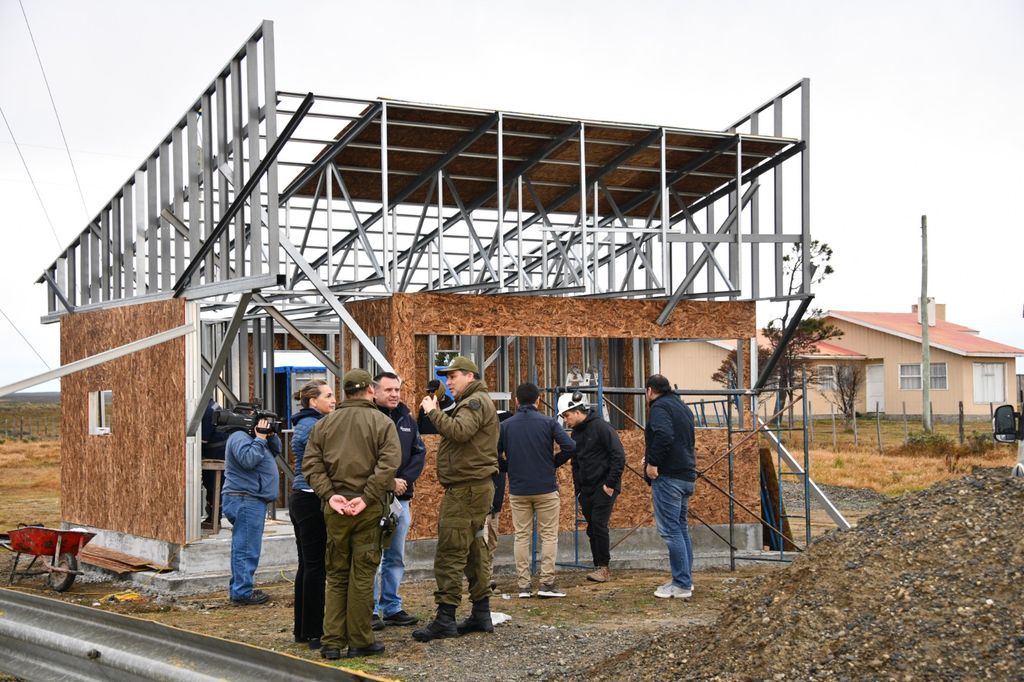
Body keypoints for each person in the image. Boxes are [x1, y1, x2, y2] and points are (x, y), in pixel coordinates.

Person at [303, 369, 401, 660]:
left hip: (335, 508)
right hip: (368, 509)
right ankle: (360, 640)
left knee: (336, 574)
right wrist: (367, 497)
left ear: (344, 392)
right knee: (363, 574)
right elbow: (388, 465)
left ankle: (332, 642)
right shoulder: (382, 423)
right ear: (370, 390)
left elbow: (311, 465)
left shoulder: (324, 424)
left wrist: (329, 495)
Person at [412, 356, 499, 642]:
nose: (448, 382)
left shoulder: (474, 402)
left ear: (470, 376)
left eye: (453, 376)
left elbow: (460, 432)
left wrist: (432, 413)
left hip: (466, 490)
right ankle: (481, 613)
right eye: (447, 377)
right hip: (473, 488)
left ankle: (445, 618)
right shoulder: (473, 401)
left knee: (450, 551)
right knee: (474, 550)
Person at [499, 382, 576, 599]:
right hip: (545, 487)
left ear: (516, 401)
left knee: (521, 536)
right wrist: (552, 463)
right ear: (538, 401)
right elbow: (570, 446)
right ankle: (547, 583)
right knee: (549, 535)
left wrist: (509, 467)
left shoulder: (506, 426)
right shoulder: (548, 422)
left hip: (518, 488)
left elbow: (492, 455)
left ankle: (524, 586)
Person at [371, 371, 426, 630]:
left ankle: (391, 606)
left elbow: (418, 453)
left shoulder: (407, 419)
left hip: (400, 499)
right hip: (372, 498)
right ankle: (369, 609)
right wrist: (388, 481)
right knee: (371, 554)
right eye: (388, 390)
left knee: (395, 555)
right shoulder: (368, 418)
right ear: (374, 392)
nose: (394, 394)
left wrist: (402, 480)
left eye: (397, 390)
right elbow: (364, 458)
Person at [557, 391, 625, 584]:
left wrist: (610, 484)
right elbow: (576, 462)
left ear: (577, 411)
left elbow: (618, 456)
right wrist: (578, 488)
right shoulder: (577, 433)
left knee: (599, 525)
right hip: (586, 488)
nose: (566, 421)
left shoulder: (602, 428)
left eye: (567, 416)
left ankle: (604, 567)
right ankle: (598, 565)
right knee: (592, 528)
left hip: (604, 486)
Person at [288, 379, 336, 650]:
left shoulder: (307, 423)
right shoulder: (313, 426)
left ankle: (303, 629)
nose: (333, 400)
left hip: (301, 497)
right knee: (315, 566)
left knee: (307, 565)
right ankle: (315, 632)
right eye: (328, 396)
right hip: (310, 498)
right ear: (312, 401)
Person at [221, 406, 283, 606]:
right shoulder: (239, 436)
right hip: (245, 499)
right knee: (246, 548)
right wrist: (260, 438)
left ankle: (240, 588)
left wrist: (269, 435)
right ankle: (241, 592)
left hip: (249, 498)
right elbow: (248, 460)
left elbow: (276, 451)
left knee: (244, 546)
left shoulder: (253, 437)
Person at [643, 374, 697, 600]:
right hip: (686, 475)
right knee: (681, 528)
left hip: (669, 478)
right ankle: (685, 579)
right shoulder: (682, 407)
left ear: (649, 391)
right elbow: (684, 440)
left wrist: (652, 462)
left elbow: (664, 435)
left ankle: (681, 584)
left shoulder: (659, 407)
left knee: (671, 530)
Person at [200, 398, 229, 530]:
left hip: (216, 452)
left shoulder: (207, 410)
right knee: (214, 486)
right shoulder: (211, 405)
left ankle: (214, 519)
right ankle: (213, 517)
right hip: (218, 450)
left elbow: (203, 439)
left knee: (213, 485)